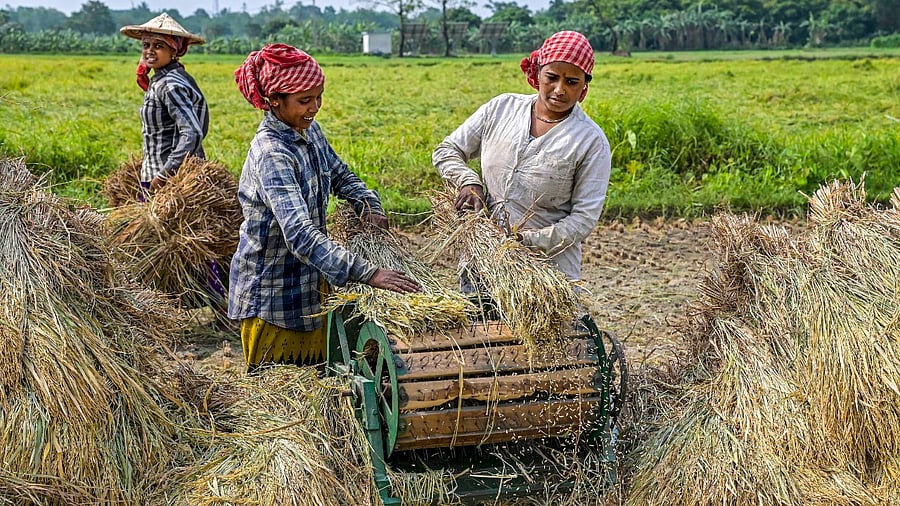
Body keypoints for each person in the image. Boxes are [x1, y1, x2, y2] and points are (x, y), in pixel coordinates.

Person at [230, 43, 421, 370]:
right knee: (283, 393)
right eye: (305, 100)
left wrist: (366, 203)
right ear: (275, 100)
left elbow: (338, 172)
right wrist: (368, 273)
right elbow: (300, 235)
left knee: (321, 377)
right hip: (273, 293)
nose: (315, 107)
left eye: (319, 97)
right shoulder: (272, 154)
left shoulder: (307, 129)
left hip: (309, 280)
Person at [433, 31, 611, 284]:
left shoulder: (590, 141)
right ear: (538, 74)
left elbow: (583, 219)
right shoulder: (501, 109)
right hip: (482, 262)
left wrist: (525, 241)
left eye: (572, 82)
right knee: (479, 322)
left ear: (584, 86)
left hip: (546, 274)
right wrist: (468, 181)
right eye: (552, 77)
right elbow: (447, 150)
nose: (560, 90)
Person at [120, 13, 209, 193]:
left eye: (158, 46)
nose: (150, 51)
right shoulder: (161, 79)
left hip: (170, 182)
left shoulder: (171, 84)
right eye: (146, 45)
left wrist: (163, 175)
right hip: (155, 174)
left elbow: (191, 133)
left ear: (174, 51)